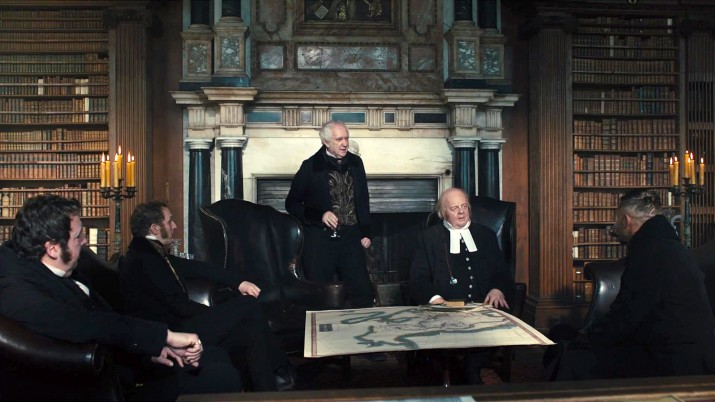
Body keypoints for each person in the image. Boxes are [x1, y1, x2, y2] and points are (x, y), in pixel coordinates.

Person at [0, 195, 242, 401]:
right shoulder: (16, 290)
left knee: (215, 357)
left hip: (121, 366)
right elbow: (85, 324)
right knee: (219, 376)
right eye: (78, 236)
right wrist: (164, 337)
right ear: (52, 248)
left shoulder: (48, 266)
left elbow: (105, 320)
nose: (85, 242)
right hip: (100, 387)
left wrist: (154, 350)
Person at [119, 201, 293, 392]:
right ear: (154, 228)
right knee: (247, 305)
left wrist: (238, 283)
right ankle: (281, 368)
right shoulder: (143, 260)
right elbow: (179, 306)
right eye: (169, 222)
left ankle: (267, 392)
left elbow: (200, 268)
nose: (174, 226)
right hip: (173, 336)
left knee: (251, 330)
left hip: (181, 325)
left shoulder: (151, 253)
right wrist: (218, 314)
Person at [553, 188, 715, 380]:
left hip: (674, 361)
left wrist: (584, 338)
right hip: (695, 353)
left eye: (616, 219)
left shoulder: (648, 253)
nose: (615, 226)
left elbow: (627, 316)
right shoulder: (671, 246)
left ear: (626, 220)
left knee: (574, 359)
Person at [409, 187, 514, 384]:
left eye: (464, 206)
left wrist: (497, 288)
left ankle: (471, 367)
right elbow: (418, 278)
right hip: (446, 309)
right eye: (454, 208)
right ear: (443, 213)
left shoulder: (486, 235)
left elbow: (502, 271)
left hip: (484, 307)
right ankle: (463, 372)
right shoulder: (429, 238)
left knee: (492, 333)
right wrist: (436, 300)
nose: (461, 212)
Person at [285, 120, 374, 309]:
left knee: (363, 293)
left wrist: (366, 232)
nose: (345, 143)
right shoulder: (311, 166)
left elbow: (363, 200)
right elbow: (291, 203)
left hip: (351, 238)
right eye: (339, 139)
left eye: (346, 138)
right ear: (326, 142)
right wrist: (320, 215)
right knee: (321, 295)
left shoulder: (356, 163)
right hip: (321, 241)